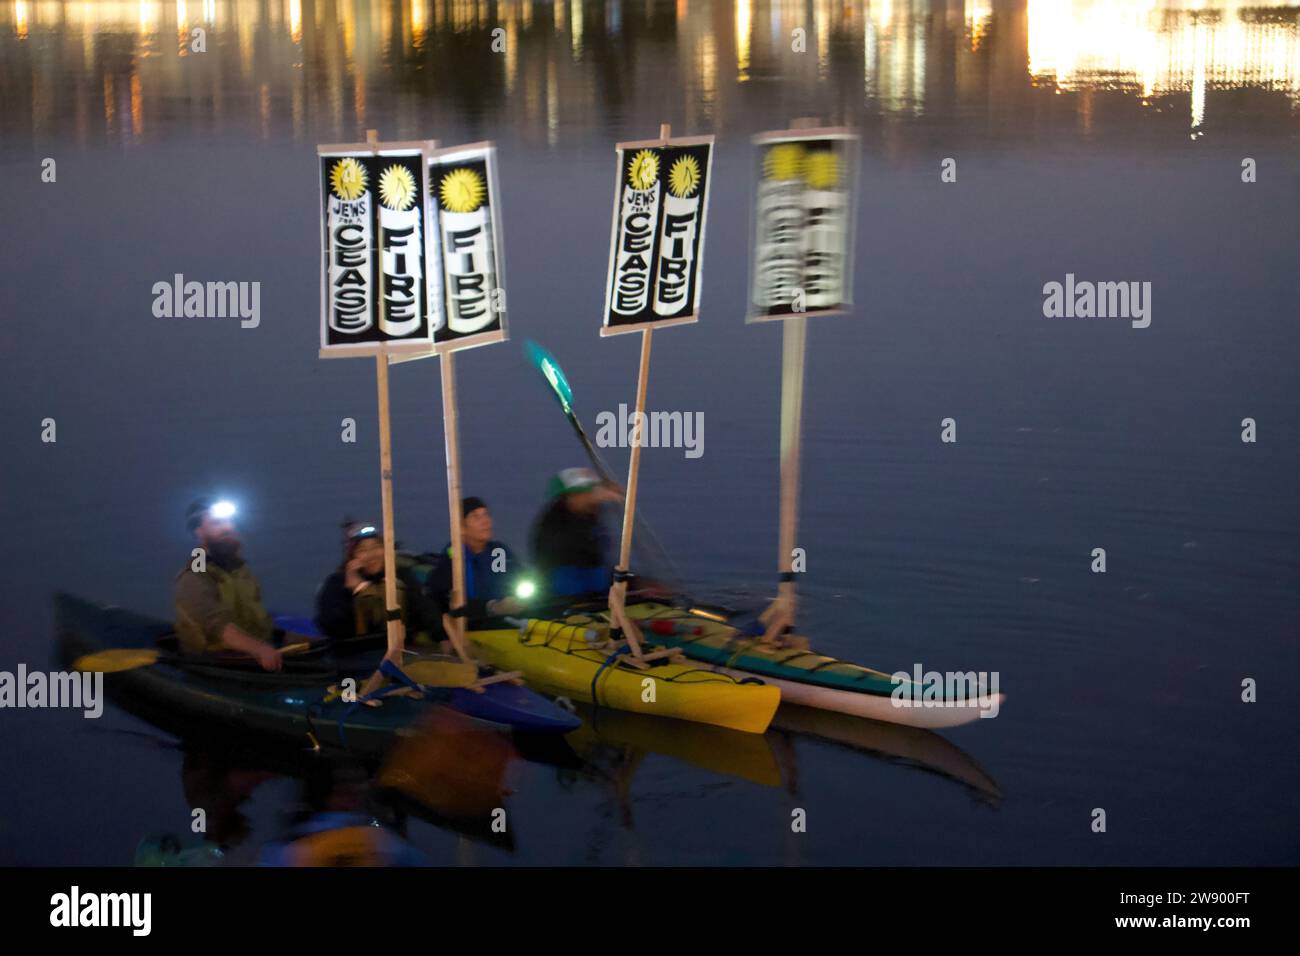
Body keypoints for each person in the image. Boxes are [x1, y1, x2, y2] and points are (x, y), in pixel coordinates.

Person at [174, 497, 282, 671]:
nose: (228, 528)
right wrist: (258, 648)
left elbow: (259, 621)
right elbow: (216, 625)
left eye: (230, 521)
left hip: (252, 659)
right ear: (199, 532)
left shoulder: (241, 572)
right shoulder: (194, 575)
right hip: (216, 666)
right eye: (217, 523)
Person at [315, 523, 441, 644]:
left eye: (376, 547)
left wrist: (442, 636)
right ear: (352, 557)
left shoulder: (401, 576)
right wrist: (351, 592)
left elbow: (426, 611)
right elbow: (331, 627)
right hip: (355, 654)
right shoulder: (336, 583)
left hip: (401, 649)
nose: (372, 555)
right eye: (362, 550)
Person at [426, 497, 529, 623]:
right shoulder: (453, 559)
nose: (485, 521)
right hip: (472, 624)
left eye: (486, 515)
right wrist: (492, 607)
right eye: (476, 517)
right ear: (461, 527)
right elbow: (446, 601)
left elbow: (507, 579)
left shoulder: (498, 552)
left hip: (505, 620)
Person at [529, 468, 624, 598]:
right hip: (562, 591)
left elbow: (600, 555)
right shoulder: (553, 523)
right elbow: (568, 548)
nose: (588, 497)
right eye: (583, 493)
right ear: (568, 497)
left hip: (596, 586)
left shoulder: (591, 518)